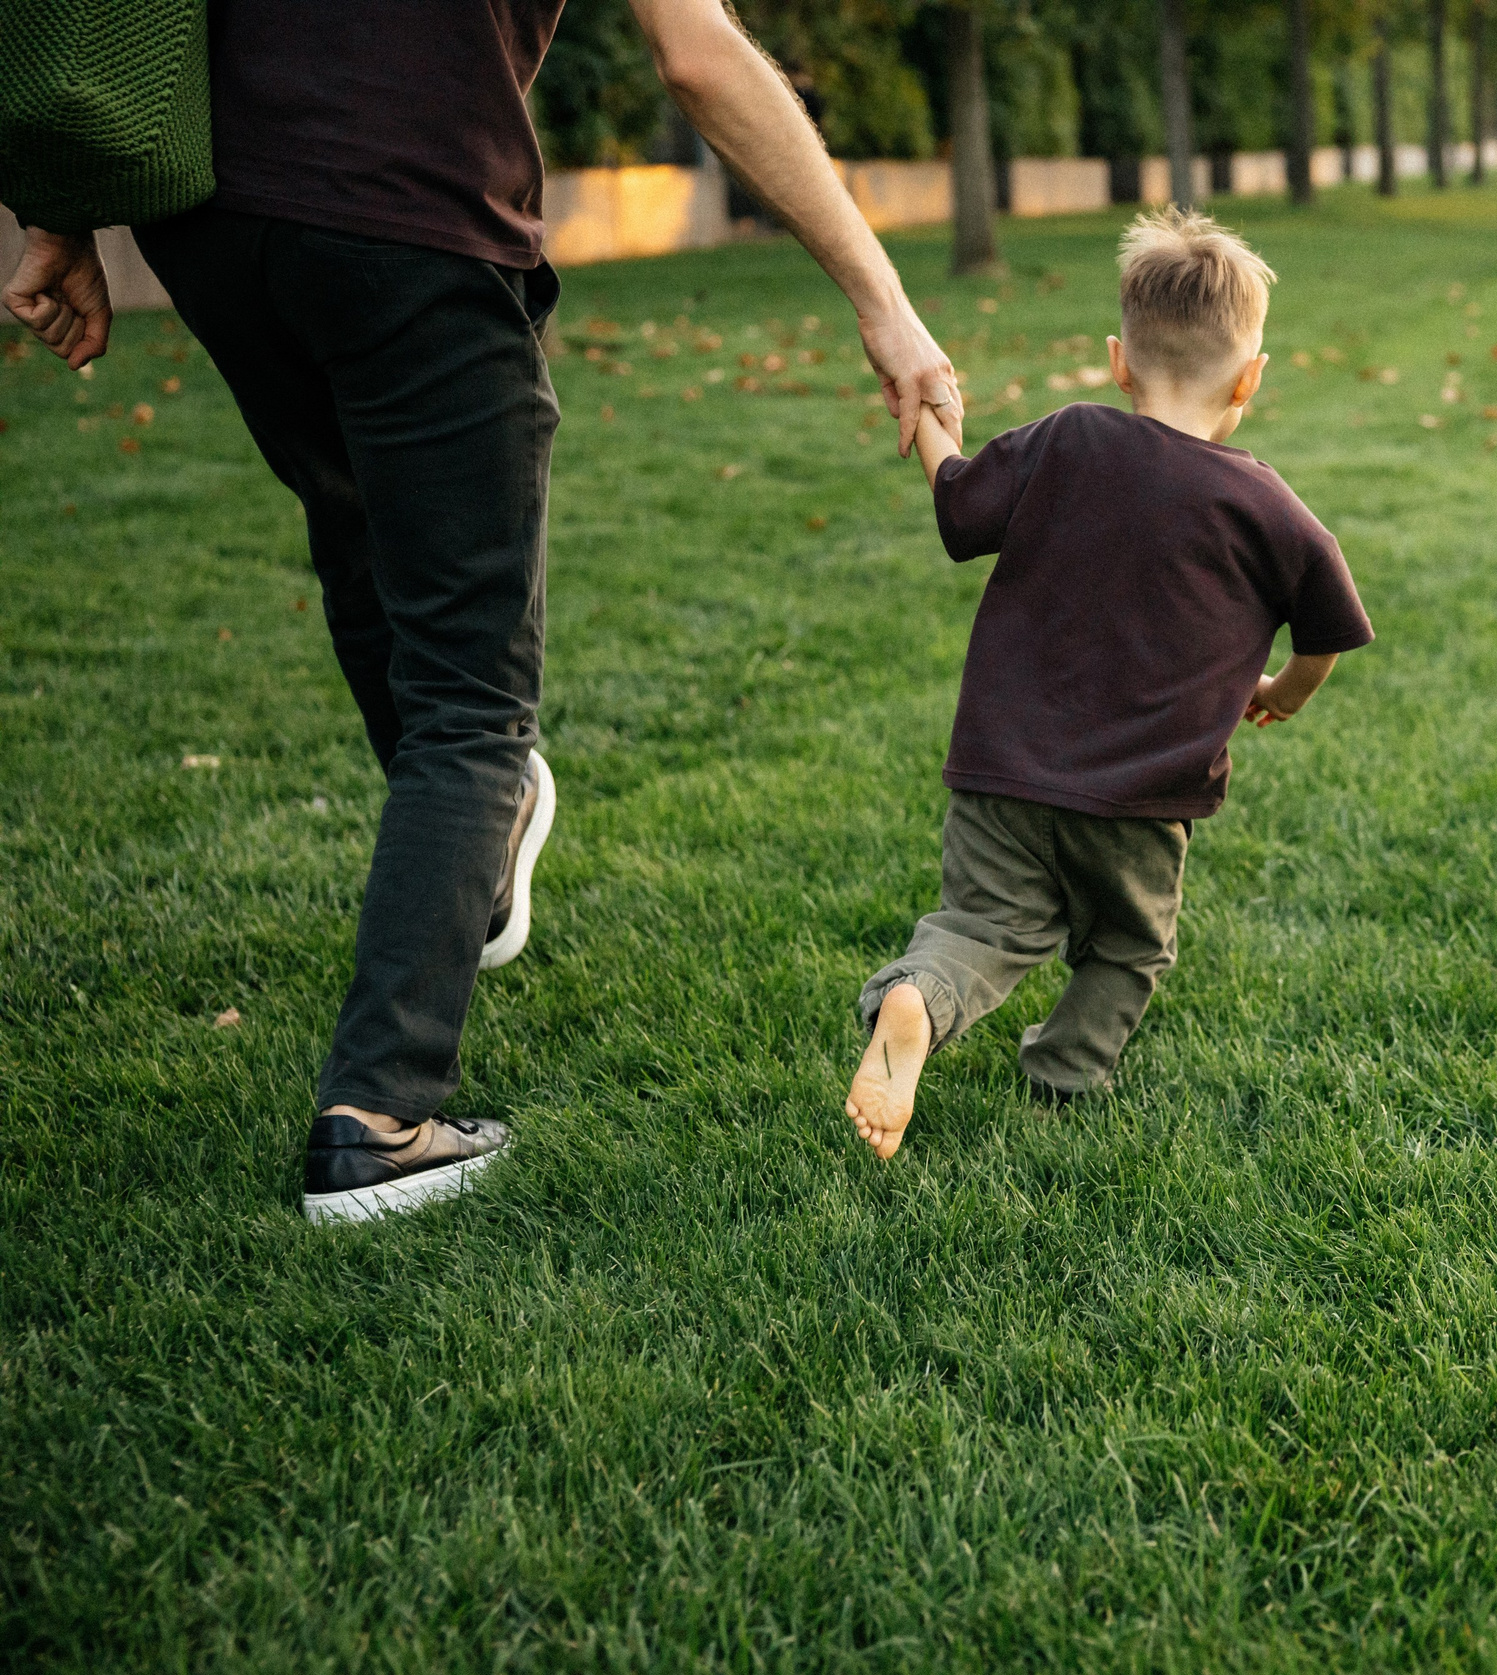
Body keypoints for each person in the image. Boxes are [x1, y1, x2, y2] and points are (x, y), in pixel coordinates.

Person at [1, 0, 961, 1223]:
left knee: (362, 545)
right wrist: (883, 300)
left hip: (217, 228)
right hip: (413, 205)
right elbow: (697, 50)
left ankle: (479, 859)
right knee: (470, 692)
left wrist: (62, 210)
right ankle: (379, 1117)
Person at [844, 210, 1373, 1159]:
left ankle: (918, 996)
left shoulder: (1064, 440)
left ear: (1118, 362)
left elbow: (960, 508)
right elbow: (1329, 622)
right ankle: (1065, 1073)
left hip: (1002, 771)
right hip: (1140, 798)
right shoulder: (1265, 504)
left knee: (981, 924)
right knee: (1127, 949)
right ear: (1250, 379)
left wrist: (930, 421)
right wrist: (1286, 689)